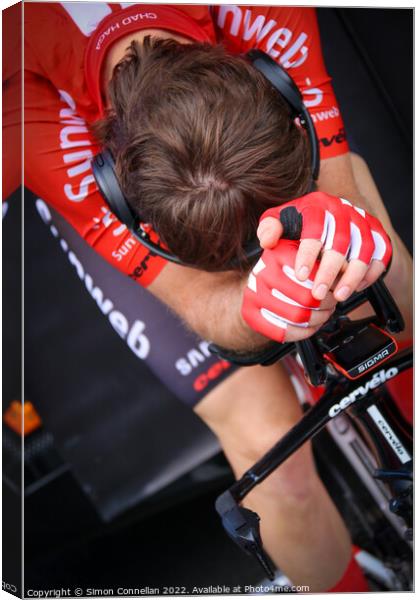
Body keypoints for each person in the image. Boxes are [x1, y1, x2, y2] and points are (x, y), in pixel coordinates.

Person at [5, 2, 411, 592]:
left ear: (273, 85)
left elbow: (342, 187)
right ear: (121, 196)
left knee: (389, 291)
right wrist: (253, 307)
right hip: (148, 226)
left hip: (268, 153)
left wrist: (344, 230)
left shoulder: (263, 11)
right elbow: (203, 305)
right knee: (265, 438)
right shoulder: (24, 108)